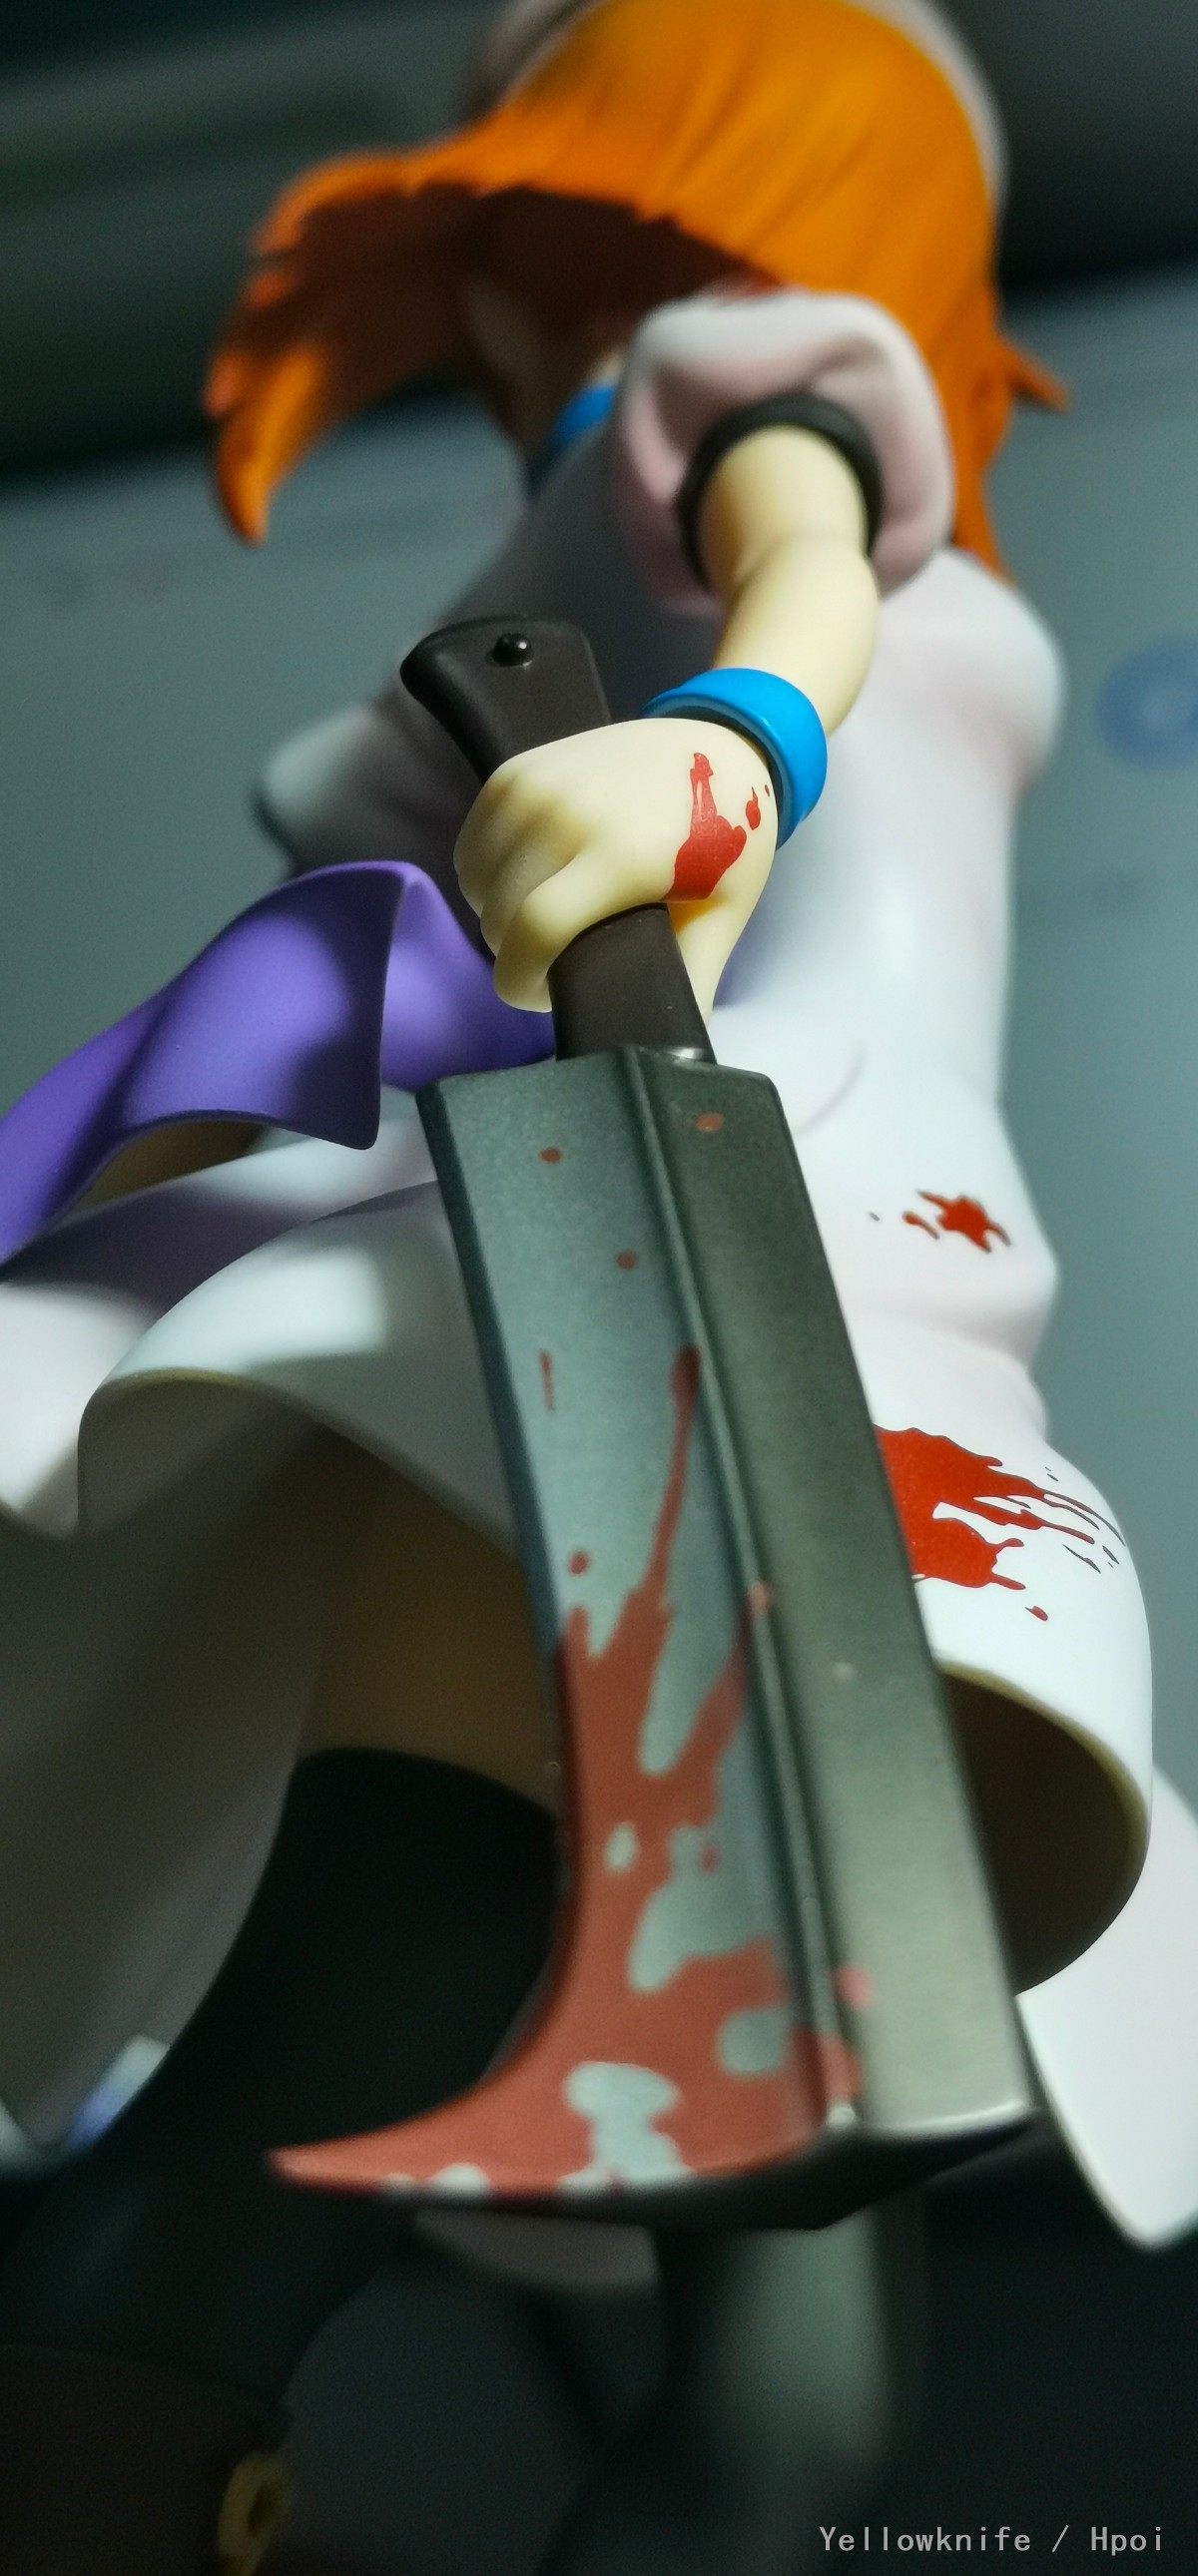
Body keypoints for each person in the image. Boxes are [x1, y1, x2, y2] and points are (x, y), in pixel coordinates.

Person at [0, 1, 1195, 2567]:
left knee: (798, 2401)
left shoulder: (729, 389)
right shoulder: (699, 421)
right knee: (277, 2154)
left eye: (523, 226)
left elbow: (804, 562)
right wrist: (742, 736)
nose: (501, 300)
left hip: (841, 1317)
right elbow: (795, 573)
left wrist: (732, 740)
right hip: (635, 1298)